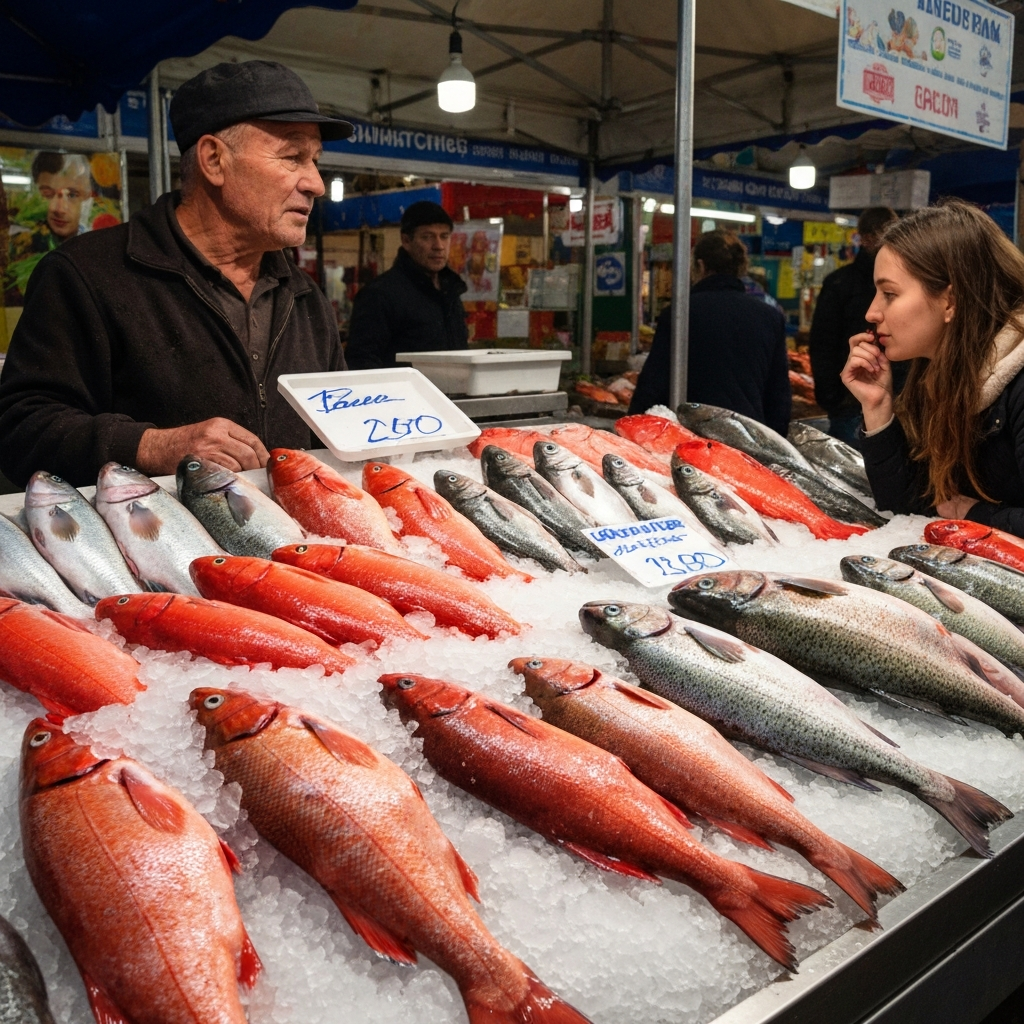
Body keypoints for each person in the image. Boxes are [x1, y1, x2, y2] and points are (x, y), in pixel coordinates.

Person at [0, 61, 354, 488]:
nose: (315, 183)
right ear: (214, 160)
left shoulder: (303, 296)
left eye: (315, 160)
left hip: (291, 528)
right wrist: (151, 447)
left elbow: (341, 427)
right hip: (149, 528)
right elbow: (20, 428)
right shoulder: (86, 275)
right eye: (293, 157)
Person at [842, 199, 1024, 534]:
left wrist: (975, 514)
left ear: (950, 301)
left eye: (889, 294)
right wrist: (878, 407)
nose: (872, 312)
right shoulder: (935, 373)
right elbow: (909, 511)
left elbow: (946, 512)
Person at [628, 229, 791, 434]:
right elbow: (778, 396)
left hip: (692, 435)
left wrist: (631, 428)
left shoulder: (680, 313)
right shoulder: (770, 316)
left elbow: (653, 383)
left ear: (700, 265)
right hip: (748, 436)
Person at [809, 206, 898, 448]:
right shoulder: (839, 284)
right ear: (866, 238)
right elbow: (822, 344)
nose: (874, 313)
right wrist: (834, 398)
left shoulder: (907, 281)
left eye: (890, 293)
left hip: (896, 399)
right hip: (850, 403)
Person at [345, 200, 468, 369]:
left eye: (444, 236)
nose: (439, 246)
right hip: (404, 387)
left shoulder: (450, 292)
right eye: (427, 237)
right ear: (406, 241)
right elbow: (361, 360)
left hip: (454, 386)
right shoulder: (379, 295)